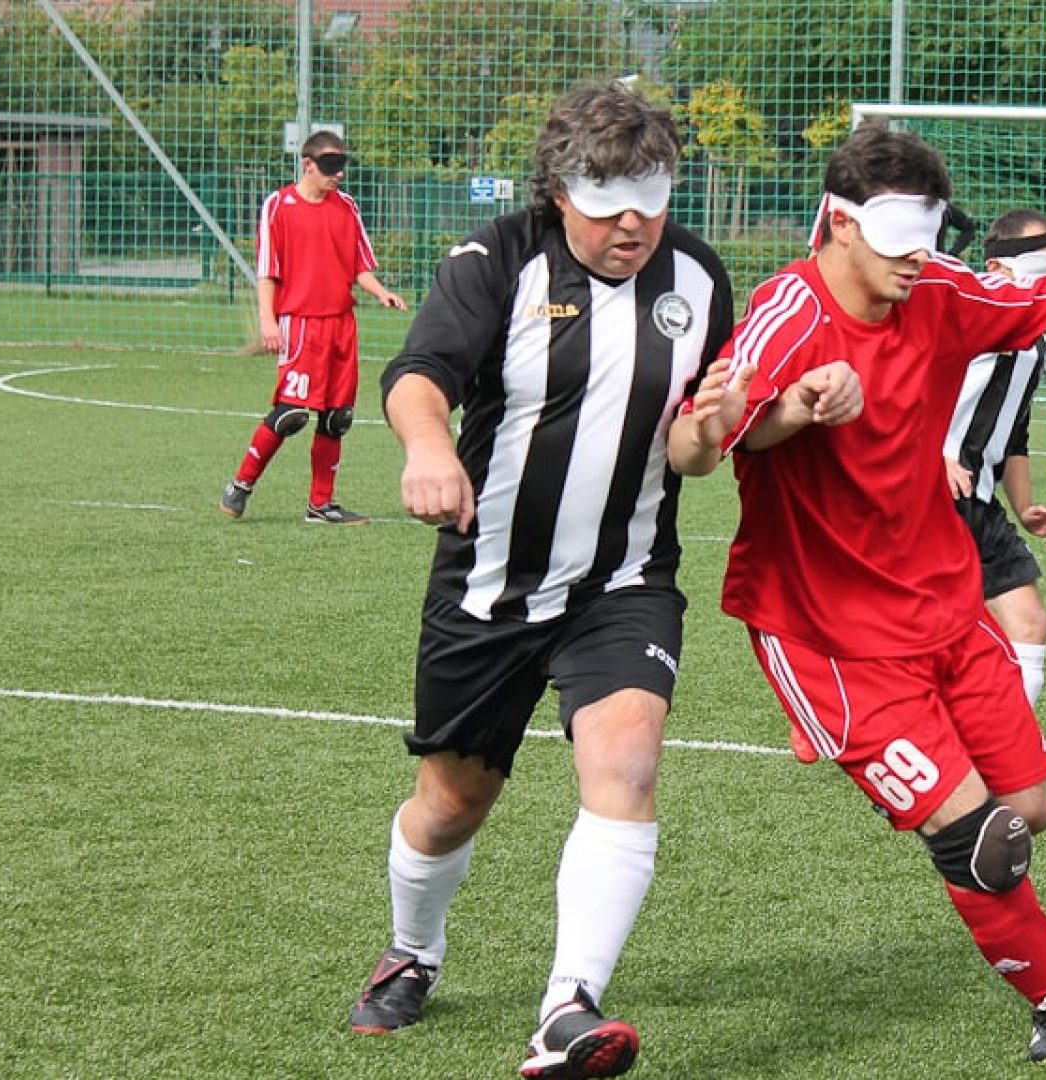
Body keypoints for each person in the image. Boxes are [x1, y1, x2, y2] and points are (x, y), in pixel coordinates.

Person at [669, 123, 1046, 1067]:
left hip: (943, 608)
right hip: (826, 634)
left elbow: (1043, 298)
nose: (918, 259)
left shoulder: (938, 289)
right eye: (896, 240)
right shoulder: (784, 316)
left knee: (1030, 806)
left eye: (927, 236)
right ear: (838, 224)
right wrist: (792, 408)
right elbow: (715, 442)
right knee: (981, 838)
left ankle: (903, 773)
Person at [345, 84, 736, 1080]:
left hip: (628, 581)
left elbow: (694, 446)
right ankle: (414, 951)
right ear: (558, 189)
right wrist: (428, 448)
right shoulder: (497, 261)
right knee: (452, 800)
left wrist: (719, 427)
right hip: (490, 586)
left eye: (651, 197)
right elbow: (420, 371)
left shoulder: (699, 275)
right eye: (608, 203)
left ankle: (568, 1008)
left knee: (630, 764)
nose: (633, 224)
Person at [219, 131, 407, 525]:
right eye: (329, 167)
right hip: (300, 323)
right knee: (291, 413)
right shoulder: (279, 206)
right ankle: (240, 485)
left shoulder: (347, 207)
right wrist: (268, 321)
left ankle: (321, 505)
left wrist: (380, 292)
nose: (338, 175)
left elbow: (358, 265)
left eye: (342, 166)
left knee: (338, 417)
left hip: (342, 323)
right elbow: (268, 271)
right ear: (308, 164)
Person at [942, 209, 1046, 709]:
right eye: (1042, 272)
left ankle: (1004, 760)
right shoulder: (969, 316)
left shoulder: (1036, 341)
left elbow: (1014, 432)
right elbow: (908, 389)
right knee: (923, 634)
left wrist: (1025, 505)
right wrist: (935, 457)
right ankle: (831, 696)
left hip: (977, 501)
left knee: (1030, 624)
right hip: (928, 496)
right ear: (997, 270)